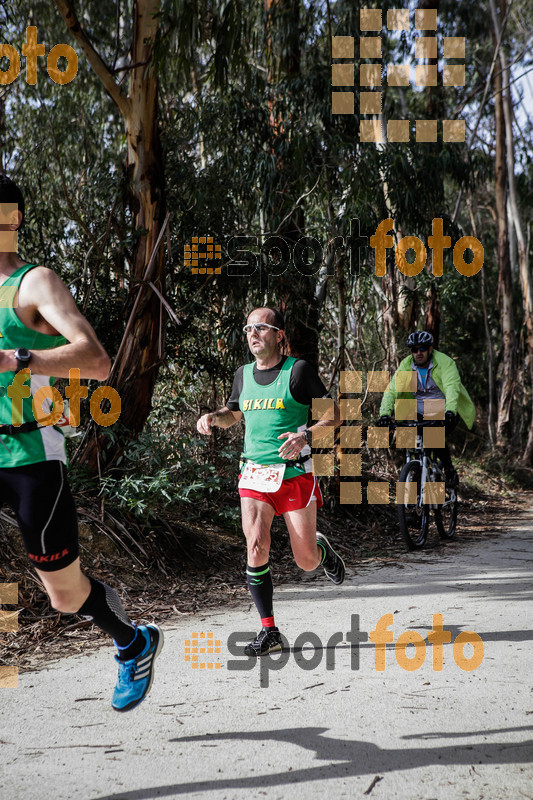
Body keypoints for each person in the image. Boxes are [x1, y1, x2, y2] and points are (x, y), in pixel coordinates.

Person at [0, 174, 162, 711]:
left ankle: (131, 639)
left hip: (28, 454)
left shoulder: (33, 284)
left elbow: (95, 360)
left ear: (13, 219)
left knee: (65, 596)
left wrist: (19, 359)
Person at [197, 307, 344, 657]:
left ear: (278, 335)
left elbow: (334, 414)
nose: (253, 333)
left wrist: (305, 436)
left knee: (305, 560)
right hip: (254, 473)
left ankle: (321, 552)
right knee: (256, 545)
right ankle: (269, 631)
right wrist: (213, 418)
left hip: (294, 474)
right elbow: (233, 413)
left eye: (261, 327)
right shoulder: (242, 374)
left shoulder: (299, 371)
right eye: (248, 328)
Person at [377, 330, 475, 485]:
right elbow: (392, 390)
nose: (418, 353)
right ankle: (416, 468)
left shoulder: (445, 362)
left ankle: (449, 470)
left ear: (430, 348)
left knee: (433, 437)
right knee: (407, 438)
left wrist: (450, 411)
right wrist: (384, 414)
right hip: (418, 409)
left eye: (422, 348)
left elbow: (451, 388)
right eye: (414, 349)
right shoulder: (407, 365)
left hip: (444, 407)